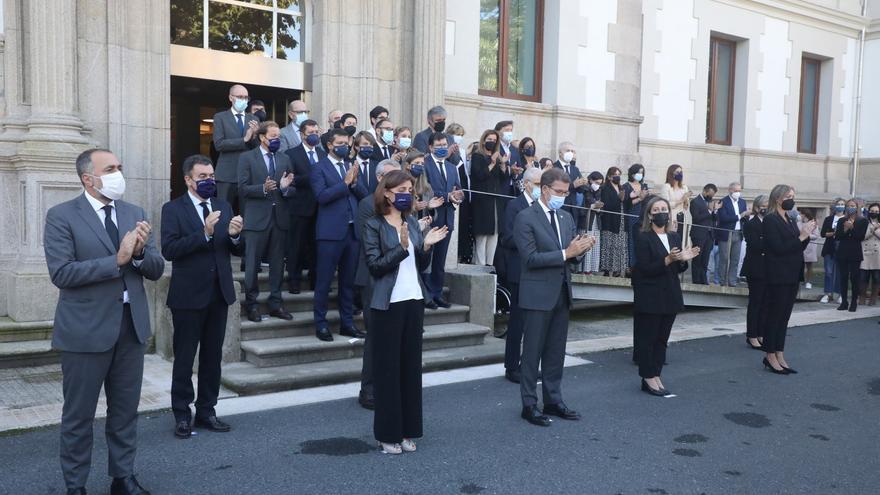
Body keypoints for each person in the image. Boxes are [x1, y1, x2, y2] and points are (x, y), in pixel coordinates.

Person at [44, 148, 165, 494]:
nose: (118, 173)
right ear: (88, 178)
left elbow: (155, 269)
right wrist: (119, 258)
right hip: (85, 331)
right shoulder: (62, 216)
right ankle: (75, 485)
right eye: (110, 168)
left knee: (125, 412)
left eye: (119, 167)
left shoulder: (134, 212)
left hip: (131, 327)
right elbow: (62, 273)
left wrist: (140, 254)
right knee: (79, 416)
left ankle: (122, 477)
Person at [363, 169, 449, 454]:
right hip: (387, 304)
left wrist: (425, 245)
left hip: (413, 300)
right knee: (388, 371)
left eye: (410, 189)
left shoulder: (411, 221)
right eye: (401, 189)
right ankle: (387, 434)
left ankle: (407, 431)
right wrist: (400, 248)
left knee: (410, 370)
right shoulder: (373, 224)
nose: (407, 194)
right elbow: (375, 266)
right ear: (387, 192)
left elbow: (419, 264)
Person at [161, 155, 243, 439]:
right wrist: (204, 233)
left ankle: (207, 411)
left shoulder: (223, 205)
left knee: (212, 357)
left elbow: (235, 249)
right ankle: (182, 414)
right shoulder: (173, 209)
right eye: (203, 177)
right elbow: (169, 250)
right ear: (188, 179)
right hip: (187, 297)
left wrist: (234, 236)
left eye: (211, 176)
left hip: (218, 294)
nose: (209, 181)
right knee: (185, 358)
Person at [515, 168, 595, 426]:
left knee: (555, 352)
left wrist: (581, 249)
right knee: (532, 352)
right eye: (559, 192)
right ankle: (529, 404)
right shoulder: (525, 217)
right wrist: (566, 253)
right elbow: (530, 258)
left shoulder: (565, 217)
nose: (563, 196)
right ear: (545, 189)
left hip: (561, 293)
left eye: (566, 192)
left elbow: (571, 256)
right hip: (537, 294)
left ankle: (553, 399)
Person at [632, 196, 699, 396]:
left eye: (664, 209)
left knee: (662, 339)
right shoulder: (642, 236)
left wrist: (683, 260)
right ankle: (647, 376)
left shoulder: (674, 236)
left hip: (670, 293)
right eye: (657, 209)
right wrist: (668, 259)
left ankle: (656, 373)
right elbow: (644, 268)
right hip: (650, 294)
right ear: (650, 215)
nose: (661, 212)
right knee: (648, 338)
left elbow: (677, 267)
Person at [310, 129, 370, 341]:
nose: (345, 145)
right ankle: (321, 324)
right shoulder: (318, 167)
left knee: (348, 282)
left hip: (352, 233)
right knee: (324, 281)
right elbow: (322, 196)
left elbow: (364, 196)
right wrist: (344, 184)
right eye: (341, 142)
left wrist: (354, 183)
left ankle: (347, 323)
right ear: (330, 145)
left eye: (347, 142)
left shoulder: (351, 165)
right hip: (330, 233)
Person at [355, 159, 403, 410]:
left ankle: (389, 386)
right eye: (391, 177)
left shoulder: (403, 209)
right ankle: (369, 390)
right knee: (375, 337)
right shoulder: (367, 205)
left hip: (400, 279)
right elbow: (368, 243)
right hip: (374, 278)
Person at [238, 121, 295, 323]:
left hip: (279, 218)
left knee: (278, 264)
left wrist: (285, 188)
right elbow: (242, 188)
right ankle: (252, 305)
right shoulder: (247, 158)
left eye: (278, 137)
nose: (277, 140)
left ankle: (275, 303)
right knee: (252, 264)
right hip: (256, 218)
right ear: (262, 137)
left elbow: (292, 188)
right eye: (273, 137)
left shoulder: (284, 158)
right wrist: (262, 188)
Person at [761, 184, 815, 374]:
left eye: (793, 195)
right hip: (778, 275)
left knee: (784, 317)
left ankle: (779, 352)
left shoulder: (789, 219)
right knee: (774, 316)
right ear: (778, 198)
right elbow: (778, 248)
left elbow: (796, 246)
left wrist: (806, 235)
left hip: (792, 273)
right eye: (788, 196)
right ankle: (769, 354)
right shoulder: (770, 220)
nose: (792, 199)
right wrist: (801, 236)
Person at [499, 167, 543, 384]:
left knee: (534, 323)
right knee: (517, 322)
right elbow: (507, 238)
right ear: (526, 184)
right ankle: (512, 366)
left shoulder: (542, 206)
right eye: (537, 183)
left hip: (539, 270)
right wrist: (532, 242)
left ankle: (529, 365)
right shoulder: (514, 205)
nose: (540, 188)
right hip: (520, 269)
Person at [284, 119, 325, 293]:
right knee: (297, 246)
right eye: (311, 133)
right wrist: (314, 177)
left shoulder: (323, 154)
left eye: (317, 132)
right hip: (300, 207)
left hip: (321, 208)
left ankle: (315, 279)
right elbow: (291, 179)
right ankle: (294, 280)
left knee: (317, 246)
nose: (314, 135)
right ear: (302, 135)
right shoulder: (291, 154)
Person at [423, 132, 464, 308]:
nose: (441, 148)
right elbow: (426, 190)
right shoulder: (424, 164)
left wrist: (458, 195)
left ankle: (437, 293)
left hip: (447, 218)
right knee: (427, 259)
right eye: (438, 146)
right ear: (431, 147)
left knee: (440, 260)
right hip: (431, 218)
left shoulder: (452, 167)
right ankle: (426, 295)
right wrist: (447, 196)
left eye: (444, 145)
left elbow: (459, 189)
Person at [212, 84, 259, 213]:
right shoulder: (220, 117)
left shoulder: (253, 119)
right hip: (226, 174)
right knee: (223, 211)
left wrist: (254, 137)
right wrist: (244, 139)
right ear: (231, 98)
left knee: (247, 212)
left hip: (247, 174)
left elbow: (257, 149)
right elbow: (219, 144)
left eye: (246, 97)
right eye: (239, 97)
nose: (243, 100)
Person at [470, 130, 510, 266]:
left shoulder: (497, 157)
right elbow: (479, 175)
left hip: (495, 201)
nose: (491, 142)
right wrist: (492, 163)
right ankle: (480, 265)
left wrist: (503, 164)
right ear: (483, 140)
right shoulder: (477, 156)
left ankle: (489, 264)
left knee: (494, 234)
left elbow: (503, 178)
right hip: (482, 201)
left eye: (494, 140)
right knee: (482, 234)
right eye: (489, 139)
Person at [741, 195, 769, 350]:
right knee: (756, 302)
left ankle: (761, 332)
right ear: (757, 208)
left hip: (768, 268)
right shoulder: (751, 224)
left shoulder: (770, 222)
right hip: (755, 267)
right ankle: (751, 334)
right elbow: (755, 245)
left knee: (765, 302)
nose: (766, 208)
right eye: (764, 205)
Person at [834, 199, 869, 312]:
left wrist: (851, 228)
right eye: (848, 206)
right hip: (843, 252)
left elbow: (860, 237)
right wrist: (845, 228)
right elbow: (838, 236)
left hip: (855, 253)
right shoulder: (842, 220)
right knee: (843, 277)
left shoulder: (862, 221)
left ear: (857, 207)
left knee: (854, 278)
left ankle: (854, 301)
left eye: (853, 206)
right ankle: (844, 301)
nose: (850, 207)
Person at [716, 182, 748, 287]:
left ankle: (732, 281)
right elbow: (724, 218)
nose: (737, 193)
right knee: (724, 258)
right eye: (736, 191)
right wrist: (740, 215)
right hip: (726, 233)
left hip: (738, 233)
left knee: (735, 259)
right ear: (730, 190)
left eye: (739, 191)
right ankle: (722, 280)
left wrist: (746, 216)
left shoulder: (743, 202)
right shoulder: (723, 201)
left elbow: (744, 218)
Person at [599, 166, 627, 277]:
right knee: (608, 243)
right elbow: (607, 205)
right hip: (610, 220)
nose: (618, 177)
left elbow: (624, 203)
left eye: (619, 175)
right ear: (610, 176)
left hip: (620, 220)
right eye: (616, 174)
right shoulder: (605, 187)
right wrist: (618, 199)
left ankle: (617, 269)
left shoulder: (621, 187)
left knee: (619, 244)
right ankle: (606, 269)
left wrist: (622, 199)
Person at [554, 142, 588, 231]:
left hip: (573, 209)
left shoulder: (575, 169)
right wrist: (574, 185)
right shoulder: (554, 167)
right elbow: (556, 187)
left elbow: (580, 190)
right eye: (568, 150)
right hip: (560, 206)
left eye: (572, 151)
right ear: (560, 153)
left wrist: (583, 183)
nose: (571, 153)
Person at [689, 183, 718, 284]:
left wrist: (715, 210)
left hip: (709, 234)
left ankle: (703, 279)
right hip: (699, 234)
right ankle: (696, 280)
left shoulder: (711, 202)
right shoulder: (695, 202)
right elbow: (696, 218)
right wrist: (709, 211)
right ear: (705, 191)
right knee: (698, 257)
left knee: (705, 258)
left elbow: (714, 219)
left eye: (713, 195)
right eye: (710, 194)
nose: (711, 197)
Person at [819, 198, 846, 303]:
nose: (840, 206)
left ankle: (840, 294)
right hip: (829, 247)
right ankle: (828, 293)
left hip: (842, 248)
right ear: (835, 206)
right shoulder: (829, 219)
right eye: (838, 204)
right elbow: (823, 233)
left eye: (842, 204)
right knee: (828, 272)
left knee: (840, 272)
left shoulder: (847, 219)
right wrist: (833, 233)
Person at [623, 164, 648, 271]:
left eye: (642, 173)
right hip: (631, 215)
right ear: (632, 173)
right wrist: (639, 198)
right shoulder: (626, 186)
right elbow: (626, 203)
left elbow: (647, 201)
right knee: (631, 240)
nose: (640, 175)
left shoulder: (644, 186)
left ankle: (640, 264)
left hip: (642, 216)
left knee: (642, 239)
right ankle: (631, 265)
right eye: (638, 172)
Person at [659, 164, 691, 244]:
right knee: (672, 241)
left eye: (681, 172)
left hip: (683, 217)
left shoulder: (684, 187)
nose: (680, 174)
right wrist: (681, 200)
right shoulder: (666, 187)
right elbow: (665, 204)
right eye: (677, 172)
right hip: (672, 217)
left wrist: (686, 200)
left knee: (682, 241)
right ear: (671, 173)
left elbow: (686, 206)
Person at [579, 172, 604, 274]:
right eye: (596, 182)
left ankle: (593, 269)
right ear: (591, 180)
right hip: (586, 220)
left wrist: (598, 207)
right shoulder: (584, 189)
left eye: (600, 183)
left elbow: (600, 204)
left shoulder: (599, 191)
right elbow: (583, 204)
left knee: (595, 244)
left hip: (595, 220)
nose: (598, 185)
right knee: (585, 243)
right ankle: (584, 269)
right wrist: (593, 206)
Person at [861, 203, 880, 306]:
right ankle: (862, 298)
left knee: (877, 277)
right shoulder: (864, 222)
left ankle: (873, 299)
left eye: (877, 211)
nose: (874, 213)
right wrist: (872, 229)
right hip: (865, 252)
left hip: (877, 255)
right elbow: (862, 236)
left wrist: (876, 230)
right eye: (872, 211)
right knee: (863, 277)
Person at [799, 210, 819, 289]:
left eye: (801, 214)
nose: (800, 215)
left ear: (805, 214)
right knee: (800, 266)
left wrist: (806, 235)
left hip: (810, 247)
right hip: (800, 246)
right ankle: (801, 280)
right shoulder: (798, 223)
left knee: (809, 266)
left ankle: (808, 281)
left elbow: (816, 235)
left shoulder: (813, 223)